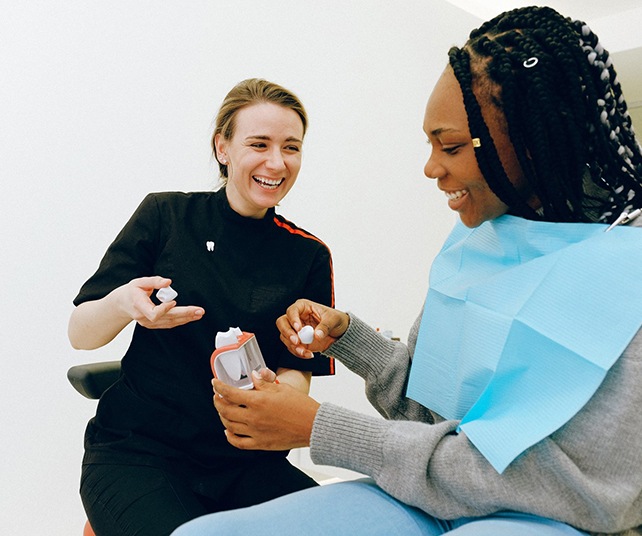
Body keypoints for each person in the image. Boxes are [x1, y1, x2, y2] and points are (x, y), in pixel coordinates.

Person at [170, 7, 642, 536]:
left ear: (532, 140)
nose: (431, 168)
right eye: (430, 145)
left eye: (453, 146)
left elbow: (590, 494)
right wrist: (349, 339)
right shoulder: (476, 242)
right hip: (434, 497)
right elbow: (433, 418)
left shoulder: (628, 274)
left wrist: (323, 429)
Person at [68, 78, 335, 536]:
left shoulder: (308, 254)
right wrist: (123, 302)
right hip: (139, 454)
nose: (277, 162)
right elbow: (81, 333)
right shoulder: (165, 217)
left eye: (291, 147)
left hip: (245, 463)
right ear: (223, 148)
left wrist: (277, 390)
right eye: (259, 144)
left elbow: (297, 374)